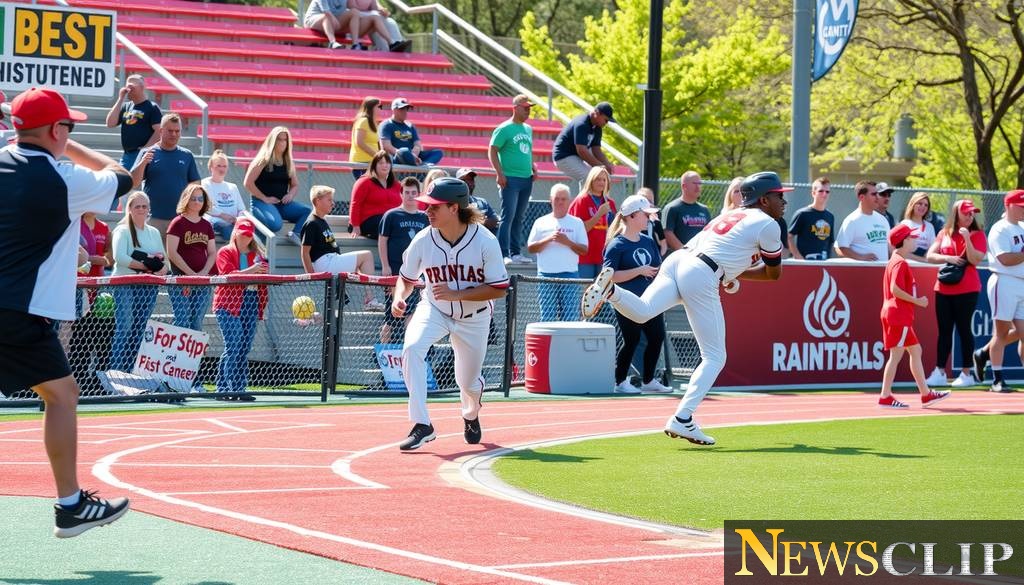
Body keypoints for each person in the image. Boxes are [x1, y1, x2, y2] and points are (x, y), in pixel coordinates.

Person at [0, 87, 133, 537]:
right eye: (67, 126)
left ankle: (72, 504)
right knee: (61, 396)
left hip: (13, 306)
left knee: (62, 392)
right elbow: (122, 175)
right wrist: (68, 144)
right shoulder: (65, 179)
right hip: (20, 309)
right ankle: (70, 504)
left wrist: (30, 132)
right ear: (57, 130)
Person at [580, 171, 790, 446]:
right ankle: (683, 417)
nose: (783, 202)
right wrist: (729, 274)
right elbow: (773, 273)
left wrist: (728, 273)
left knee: (643, 311)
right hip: (702, 271)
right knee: (715, 356)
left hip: (679, 260)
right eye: (778, 196)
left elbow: (724, 252)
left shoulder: (730, 215)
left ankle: (611, 291)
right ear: (763, 199)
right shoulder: (769, 224)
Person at [391, 177, 509, 451]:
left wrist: (458, 294)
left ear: (454, 208)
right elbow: (406, 278)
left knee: (468, 384)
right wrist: (399, 297)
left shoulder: (485, 240)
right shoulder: (423, 239)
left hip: (475, 317)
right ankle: (422, 424)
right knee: (412, 348)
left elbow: (499, 288)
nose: (427, 211)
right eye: (427, 205)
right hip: (435, 309)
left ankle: (470, 414)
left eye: (435, 206)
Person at [602, 194, 673, 394]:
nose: (649, 218)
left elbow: (657, 268)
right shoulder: (616, 245)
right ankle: (620, 382)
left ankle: (648, 380)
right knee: (632, 340)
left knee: (656, 337)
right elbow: (610, 276)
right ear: (632, 216)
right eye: (645, 215)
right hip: (626, 301)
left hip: (650, 300)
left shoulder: (648, 241)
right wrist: (639, 271)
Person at [877, 224, 951, 408]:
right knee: (896, 355)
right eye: (911, 238)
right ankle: (885, 396)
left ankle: (926, 395)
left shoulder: (896, 260)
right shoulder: (900, 262)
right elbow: (895, 289)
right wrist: (917, 301)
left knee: (915, 351)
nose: (914, 240)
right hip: (898, 315)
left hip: (897, 315)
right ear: (903, 241)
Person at [924, 199, 986, 388]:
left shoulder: (978, 234)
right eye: (966, 212)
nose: (970, 216)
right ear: (956, 213)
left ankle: (967, 373)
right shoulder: (944, 233)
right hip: (943, 287)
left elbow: (975, 260)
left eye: (972, 212)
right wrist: (949, 258)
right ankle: (939, 372)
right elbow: (930, 256)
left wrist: (967, 238)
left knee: (964, 329)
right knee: (944, 331)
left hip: (967, 288)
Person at [110, 191, 168, 373]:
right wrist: (146, 266)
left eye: (144, 206)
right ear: (129, 209)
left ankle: (131, 372)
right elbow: (119, 257)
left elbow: (165, 262)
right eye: (137, 206)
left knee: (140, 328)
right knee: (125, 326)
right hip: (125, 284)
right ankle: (116, 372)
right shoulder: (122, 230)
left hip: (148, 286)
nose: (141, 209)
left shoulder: (154, 232)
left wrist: (159, 267)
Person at [300, 185, 384, 310]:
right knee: (366, 256)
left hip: (331, 261)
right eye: (329, 200)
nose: (333, 203)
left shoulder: (321, 220)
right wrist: (311, 276)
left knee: (361, 265)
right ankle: (370, 299)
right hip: (324, 263)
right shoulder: (312, 223)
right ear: (318, 201)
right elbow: (304, 252)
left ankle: (367, 297)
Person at [213, 218, 267, 401]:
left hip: (251, 301)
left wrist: (263, 271)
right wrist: (252, 270)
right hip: (228, 303)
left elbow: (263, 279)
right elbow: (227, 276)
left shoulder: (257, 255)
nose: (245, 238)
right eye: (242, 234)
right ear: (235, 233)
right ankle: (224, 388)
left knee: (244, 347)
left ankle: (237, 387)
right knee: (233, 345)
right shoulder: (225, 251)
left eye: (249, 234)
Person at [977, 190, 1024, 393]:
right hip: (1004, 281)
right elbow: (1005, 259)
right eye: (1020, 206)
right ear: (1008, 205)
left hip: (1021, 282)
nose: (1023, 210)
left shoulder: (1022, 226)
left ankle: (983, 352)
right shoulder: (1000, 228)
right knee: (1001, 332)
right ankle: (997, 380)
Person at [130, 113, 201, 236]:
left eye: (177, 131)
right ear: (161, 131)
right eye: (170, 131)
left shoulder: (187, 155)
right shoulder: (147, 153)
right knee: (151, 249)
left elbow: (196, 185)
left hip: (180, 218)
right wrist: (143, 163)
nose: (174, 134)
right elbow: (134, 182)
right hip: (152, 218)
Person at [526, 183, 588, 322]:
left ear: (569, 201)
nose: (560, 202)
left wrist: (568, 242)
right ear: (550, 200)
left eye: (563, 199)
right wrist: (548, 239)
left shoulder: (577, 223)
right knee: (548, 318)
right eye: (557, 199)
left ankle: (567, 338)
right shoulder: (540, 222)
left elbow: (584, 250)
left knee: (571, 317)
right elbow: (531, 248)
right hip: (546, 275)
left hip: (570, 275)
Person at [378, 177, 430, 342]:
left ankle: (409, 349)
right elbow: (382, 240)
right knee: (390, 318)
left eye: (414, 192)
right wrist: (385, 265)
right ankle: (382, 352)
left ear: (419, 194)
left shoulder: (425, 217)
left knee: (413, 314)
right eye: (407, 192)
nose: (410, 196)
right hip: (395, 272)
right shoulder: (391, 215)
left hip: (417, 274)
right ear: (401, 194)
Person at [68, 212, 114, 392]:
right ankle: (76, 376)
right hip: (77, 289)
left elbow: (109, 258)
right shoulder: (75, 224)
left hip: (98, 290)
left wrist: (98, 259)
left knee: (95, 334)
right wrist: (94, 259)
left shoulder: (104, 227)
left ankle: (92, 378)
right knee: (79, 336)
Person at [489, 94, 537, 262]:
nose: (528, 111)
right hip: (510, 178)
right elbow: (492, 150)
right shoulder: (504, 128)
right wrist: (499, 173)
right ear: (515, 108)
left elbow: (527, 151)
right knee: (508, 216)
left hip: (526, 178)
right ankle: (503, 254)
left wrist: (533, 167)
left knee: (519, 217)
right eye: (525, 108)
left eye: (529, 108)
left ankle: (516, 253)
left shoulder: (528, 129)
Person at [244, 126, 311, 243]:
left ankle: (295, 234)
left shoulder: (288, 162)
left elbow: (295, 185)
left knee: (308, 211)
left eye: (285, 140)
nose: (282, 143)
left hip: (281, 204)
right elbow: (248, 183)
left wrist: (290, 195)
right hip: (261, 203)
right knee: (275, 224)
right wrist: (264, 198)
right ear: (272, 141)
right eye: (279, 139)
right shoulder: (262, 160)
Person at [166, 184, 217, 331]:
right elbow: (172, 252)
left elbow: (212, 252)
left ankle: (194, 348)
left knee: (196, 322)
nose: (197, 202)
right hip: (180, 280)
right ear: (186, 200)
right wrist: (191, 275)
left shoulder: (207, 225)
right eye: (193, 198)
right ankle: (174, 346)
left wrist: (203, 274)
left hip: (202, 281)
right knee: (182, 320)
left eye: (200, 199)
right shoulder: (177, 223)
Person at [104, 74, 161, 175]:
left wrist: (145, 149)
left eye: (132, 87)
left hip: (142, 155)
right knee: (122, 179)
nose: (128, 90)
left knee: (137, 181)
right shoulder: (126, 106)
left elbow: (159, 131)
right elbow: (110, 123)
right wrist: (120, 98)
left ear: (142, 88)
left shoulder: (151, 107)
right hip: (127, 155)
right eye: (127, 87)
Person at [551, 102, 617, 185]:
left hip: (576, 156)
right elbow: (581, 151)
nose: (606, 123)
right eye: (606, 120)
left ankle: (588, 194)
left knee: (598, 176)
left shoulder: (597, 127)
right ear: (597, 113)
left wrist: (607, 164)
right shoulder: (582, 124)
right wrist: (600, 166)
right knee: (591, 178)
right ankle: (586, 194)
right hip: (563, 157)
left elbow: (596, 150)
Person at [568, 166, 616, 278]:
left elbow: (615, 229)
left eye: (604, 180)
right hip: (585, 257)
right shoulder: (581, 200)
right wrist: (599, 214)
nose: (602, 182)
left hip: (604, 255)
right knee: (586, 287)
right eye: (598, 179)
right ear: (591, 180)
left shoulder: (610, 202)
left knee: (602, 288)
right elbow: (580, 230)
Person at [349, 150, 401, 239]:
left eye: (387, 162)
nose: (385, 165)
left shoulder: (396, 184)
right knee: (391, 225)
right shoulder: (364, 182)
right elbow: (355, 204)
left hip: (389, 220)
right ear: (374, 166)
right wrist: (355, 226)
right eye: (381, 163)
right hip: (367, 222)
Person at [835, 181, 890, 261]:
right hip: (862, 269)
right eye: (873, 194)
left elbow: (889, 247)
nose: (877, 197)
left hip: (883, 268)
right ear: (861, 197)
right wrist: (860, 257)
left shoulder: (883, 219)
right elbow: (841, 247)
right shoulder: (852, 220)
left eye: (877, 194)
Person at [379, 98, 443, 167]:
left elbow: (417, 145)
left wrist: (414, 155)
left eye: (406, 109)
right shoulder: (386, 124)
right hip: (397, 157)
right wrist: (406, 154)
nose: (405, 112)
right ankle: (418, 165)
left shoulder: (410, 125)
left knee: (438, 152)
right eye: (402, 109)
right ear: (394, 110)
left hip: (413, 155)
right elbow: (386, 146)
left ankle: (424, 165)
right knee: (403, 151)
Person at [202, 150, 247, 241]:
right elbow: (207, 206)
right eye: (218, 166)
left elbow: (241, 209)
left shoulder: (233, 187)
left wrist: (238, 219)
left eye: (224, 166)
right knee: (231, 233)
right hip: (217, 222)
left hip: (234, 222)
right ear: (211, 167)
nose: (222, 169)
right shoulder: (205, 184)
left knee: (248, 231)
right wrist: (224, 216)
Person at [788, 176, 834, 260]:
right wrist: (797, 256)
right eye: (821, 191)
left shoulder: (830, 216)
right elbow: (789, 237)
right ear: (813, 193)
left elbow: (830, 241)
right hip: (805, 262)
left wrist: (828, 259)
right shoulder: (802, 214)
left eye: (827, 192)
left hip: (823, 261)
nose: (824, 194)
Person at [662, 171, 710, 252]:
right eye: (694, 183)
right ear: (684, 186)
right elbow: (667, 232)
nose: (698, 187)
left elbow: (708, 232)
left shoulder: (704, 210)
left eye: (699, 183)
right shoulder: (672, 208)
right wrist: (684, 250)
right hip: (680, 255)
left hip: (700, 254)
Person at [347, 0, 412, 52]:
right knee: (376, 22)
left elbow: (375, 8)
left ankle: (398, 46)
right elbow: (351, 7)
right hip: (354, 21)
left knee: (390, 22)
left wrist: (382, 11)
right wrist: (371, 13)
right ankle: (385, 51)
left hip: (368, 17)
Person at [455, 168, 499, 234]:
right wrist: (482, 220)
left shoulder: (482, 201)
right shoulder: (453, 203)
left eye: (471, 180)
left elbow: (494, 220)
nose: (469, 183)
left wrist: (474, 221)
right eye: (464, 180)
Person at [349, 97, 383, 179]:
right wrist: (376, 155)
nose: (380, 109)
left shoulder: (373, 123)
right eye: (378, 107)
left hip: (371, 163)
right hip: (361, 164)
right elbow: (359, 142)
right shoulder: (363, 121)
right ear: (371, 108)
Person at [899, 191, 937, 261]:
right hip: (908, 264)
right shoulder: (905, 224)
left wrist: (926, 258)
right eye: (920, 203)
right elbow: (902, 252)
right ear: (912, 205)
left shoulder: (930, 226)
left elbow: (932, 250)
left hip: (924, 265)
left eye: (926, 205)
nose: (923, 207)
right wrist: (923, 259)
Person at [638, 187, 668, 258]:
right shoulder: (633, 220)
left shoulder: (655, 221)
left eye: (651, 201)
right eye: (645, 200)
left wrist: (658, 258)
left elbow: (663, 244)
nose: (649, 204)